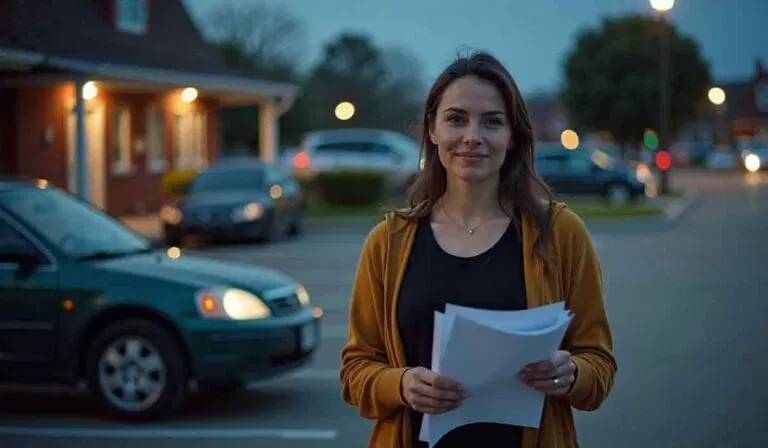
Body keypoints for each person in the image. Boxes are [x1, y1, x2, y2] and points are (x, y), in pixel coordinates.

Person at [339, 51, 617, 448]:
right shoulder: (388, 242)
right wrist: (399, 384)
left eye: (492, 122)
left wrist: (571, 372)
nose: (473, 137)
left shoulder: (561, 234)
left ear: (513, 136)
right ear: (432, 131)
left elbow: (599, 365)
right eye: (456, 119)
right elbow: (355, 371)